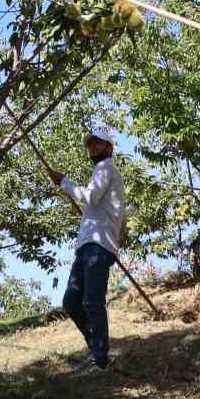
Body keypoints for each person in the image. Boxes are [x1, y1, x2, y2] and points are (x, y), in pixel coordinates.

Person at [49, 128, 126, 374]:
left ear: (108, 148)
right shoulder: (101, 171)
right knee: (71, 302)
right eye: (90, 145)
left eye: (97, 144)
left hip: (98, 245)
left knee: (92, 301)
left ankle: (100, 358)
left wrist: (65, 182)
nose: (92, 148)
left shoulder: (106, 168)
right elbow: (99, 206)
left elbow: (91, 198)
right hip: (88, 245)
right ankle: (96, 351)